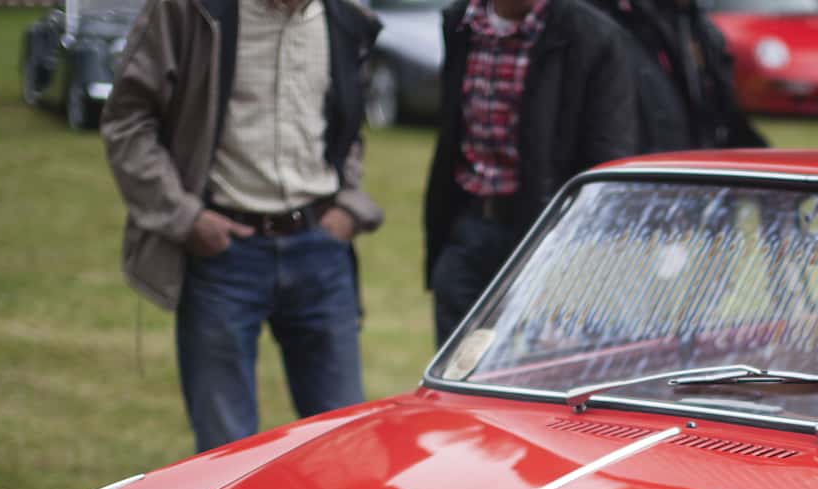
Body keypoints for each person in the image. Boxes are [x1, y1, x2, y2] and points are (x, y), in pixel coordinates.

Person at [101, 0, 384, 454]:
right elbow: (128, 119)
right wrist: (185, 217)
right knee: (226, 457)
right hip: (222, 256)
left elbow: (347, 119)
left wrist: (348, 206)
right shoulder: (191, 10)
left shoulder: (345, 16)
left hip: (321, 250)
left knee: (345, 450)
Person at [423, 0, 639, 344]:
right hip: (469, 228)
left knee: (536, 378)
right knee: (458, 375)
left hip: (553, 239)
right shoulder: (462, 24)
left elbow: (608, 160)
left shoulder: (592, 37)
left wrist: (574, 257)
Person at [589, 0, 763, 154]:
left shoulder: (700, 29)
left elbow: (727, 115)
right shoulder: (617, 24)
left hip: (693, 166)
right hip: (645, 168)